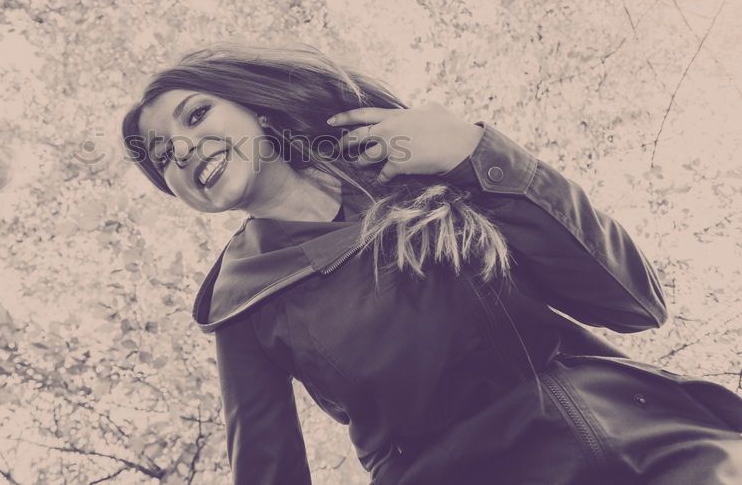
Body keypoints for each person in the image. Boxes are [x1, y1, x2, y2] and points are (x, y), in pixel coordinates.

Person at [120, 43, 742, 484]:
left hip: (644, 443)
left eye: (196, 114)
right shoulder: (240, 305)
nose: (180, 149)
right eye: (161, 157)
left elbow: (632, 301)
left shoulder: (416, 165)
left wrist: (478, 151)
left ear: (256, 108)